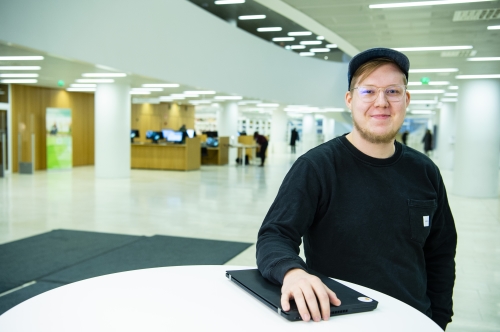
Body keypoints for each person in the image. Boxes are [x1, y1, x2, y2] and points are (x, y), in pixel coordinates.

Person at [256, 48, 456, 330]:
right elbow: (274, 235)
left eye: (393, 91)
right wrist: (292, 272)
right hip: (340, 320)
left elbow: (441, 254)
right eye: (368, 91)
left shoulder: (425, 171)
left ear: (406, 99)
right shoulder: (317, 167)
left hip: (412, 321)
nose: (381, 102)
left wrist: (438, 321)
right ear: (350, 100)